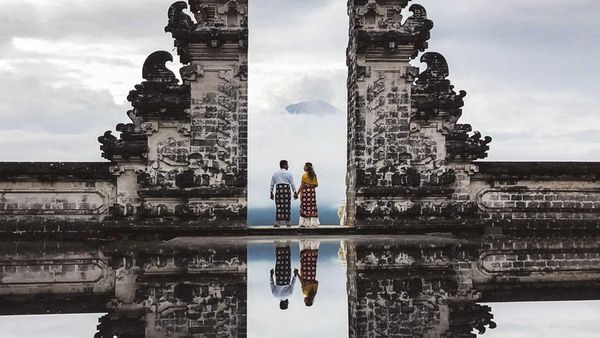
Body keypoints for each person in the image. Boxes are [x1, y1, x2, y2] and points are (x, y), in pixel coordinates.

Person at [270, 241, 298, 310]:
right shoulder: (275, 295)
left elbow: (292, 284)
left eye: (287, 304)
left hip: (286, 277)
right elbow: (272, 284)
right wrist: (271, 275)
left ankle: (287, 244)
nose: (288, 303)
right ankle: (278, 244)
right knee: (279, 261)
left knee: (287, 259)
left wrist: (295, 275)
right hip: (278, 277)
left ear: (284, 304)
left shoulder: (289, 295)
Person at [270, 160, 298, 227]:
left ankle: (278, 222)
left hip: (279, 190)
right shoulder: (289, 173)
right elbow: (292, 184)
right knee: (287, 206)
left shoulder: (275, 173)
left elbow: (272, 184)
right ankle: (288, 222)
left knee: (279, 206)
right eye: (287, 165)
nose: (288, 166)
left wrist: (271, 192)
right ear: (284, 165)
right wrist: (295, 192)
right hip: (286, 190)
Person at [297, 162, 320, 228]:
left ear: (307, 167)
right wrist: (311, 186)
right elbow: (316, 184)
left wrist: (297, 194)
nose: (303, 167)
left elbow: (302, 186)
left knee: (305, 206)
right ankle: (313, 223)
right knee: (312, 206)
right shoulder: (314, 175)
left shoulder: (304, 176)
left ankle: (304, 223)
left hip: (305, 192)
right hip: (312, 192)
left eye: (304, 166)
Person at [298, 240, 320, 307]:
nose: (304, 300)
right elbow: (302, 281)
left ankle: (313, 241)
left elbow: (317, 282)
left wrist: (311, 281)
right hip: (305, 272)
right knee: (304, 257)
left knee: (312, 259)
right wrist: (297, 274)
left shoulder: (314, 291)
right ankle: (305, 240)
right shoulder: (305, 292)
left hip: (312, 271)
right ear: (306, 300)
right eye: (305, 302)